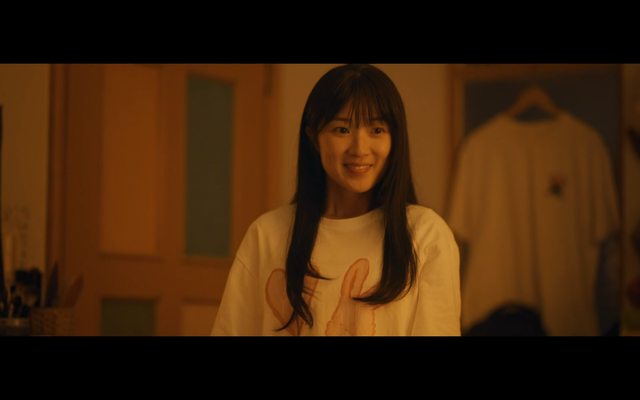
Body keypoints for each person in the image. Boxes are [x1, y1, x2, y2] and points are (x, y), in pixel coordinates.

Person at [211, 64, 460, 336]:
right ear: (313, 138)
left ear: (395, 139)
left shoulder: (425, 235)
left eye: (377, 130)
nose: (359, 149)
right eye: (342, 130)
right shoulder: (267, 234)